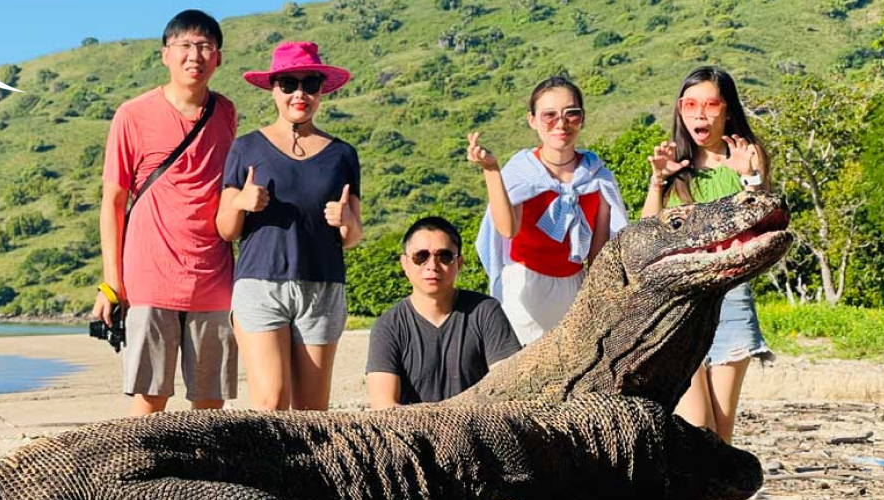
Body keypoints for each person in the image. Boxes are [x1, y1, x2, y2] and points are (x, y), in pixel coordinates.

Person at [640, 65, 774, 500]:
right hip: (687, 300)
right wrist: (660, 181)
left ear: (727, 109)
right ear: (680, 109)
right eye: (690, 104)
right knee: (694, 419)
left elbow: (763, 220)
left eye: (710, 104)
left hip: (734, 299)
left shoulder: (747, 157)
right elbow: (649, 231)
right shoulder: (674, 164)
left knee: (720, 424)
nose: (699, 113)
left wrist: (751, 178)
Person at [93, 9, 238, 416]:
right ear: (165, 55)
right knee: (149, 397)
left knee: (210, 401)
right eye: (185, 46)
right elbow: (113, 203)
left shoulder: (226, 113)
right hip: (149, 277)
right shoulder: (132, 115)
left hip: (213, 276)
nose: (196, 55)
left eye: (206, 46)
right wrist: (111, 283)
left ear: (219, 58)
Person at [218, 41, 362, 411]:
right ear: (273, 89)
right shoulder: (246, 147)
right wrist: (241, 202)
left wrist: (346, 222)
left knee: (313, 411)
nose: (300, 93)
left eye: (310, 83)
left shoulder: (343, 154)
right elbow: (226, 228)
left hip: (322, 285)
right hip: (260, 284)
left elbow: (352, 236)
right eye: (289, 84)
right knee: (271, 402)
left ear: (321, 91)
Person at [470, 77, 629, 346]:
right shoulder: (522, 172)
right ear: (532, 120)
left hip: (575, 289)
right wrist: (492, 171)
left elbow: (599, 255)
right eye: (549, 115)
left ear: (583, 117)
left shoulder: (598, 178)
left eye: (571, 114)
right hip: (525, 289)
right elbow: (507, 229)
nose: (561, 123)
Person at [366, 217, 521, 408]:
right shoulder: (388, 326)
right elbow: (383, 405)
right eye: (421, 256)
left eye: (444, 256)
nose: (432, 265)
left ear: (459, 263)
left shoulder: (485, 311)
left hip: (479, 428)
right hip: (413, 432)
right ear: (405, 263)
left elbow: (509, 386)